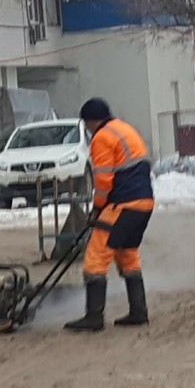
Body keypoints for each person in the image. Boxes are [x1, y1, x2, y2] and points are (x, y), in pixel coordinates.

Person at [65, 98, 153, 332]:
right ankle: (138, 311)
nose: (87, 128)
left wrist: (96, 209)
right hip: (144, 203)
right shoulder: (125, 128)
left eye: (86, 123)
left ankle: (93, 318)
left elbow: (103, 180)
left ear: (93, 120)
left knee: (96, 257)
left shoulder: (102, 137)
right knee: (127, 254)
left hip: (123, 204)